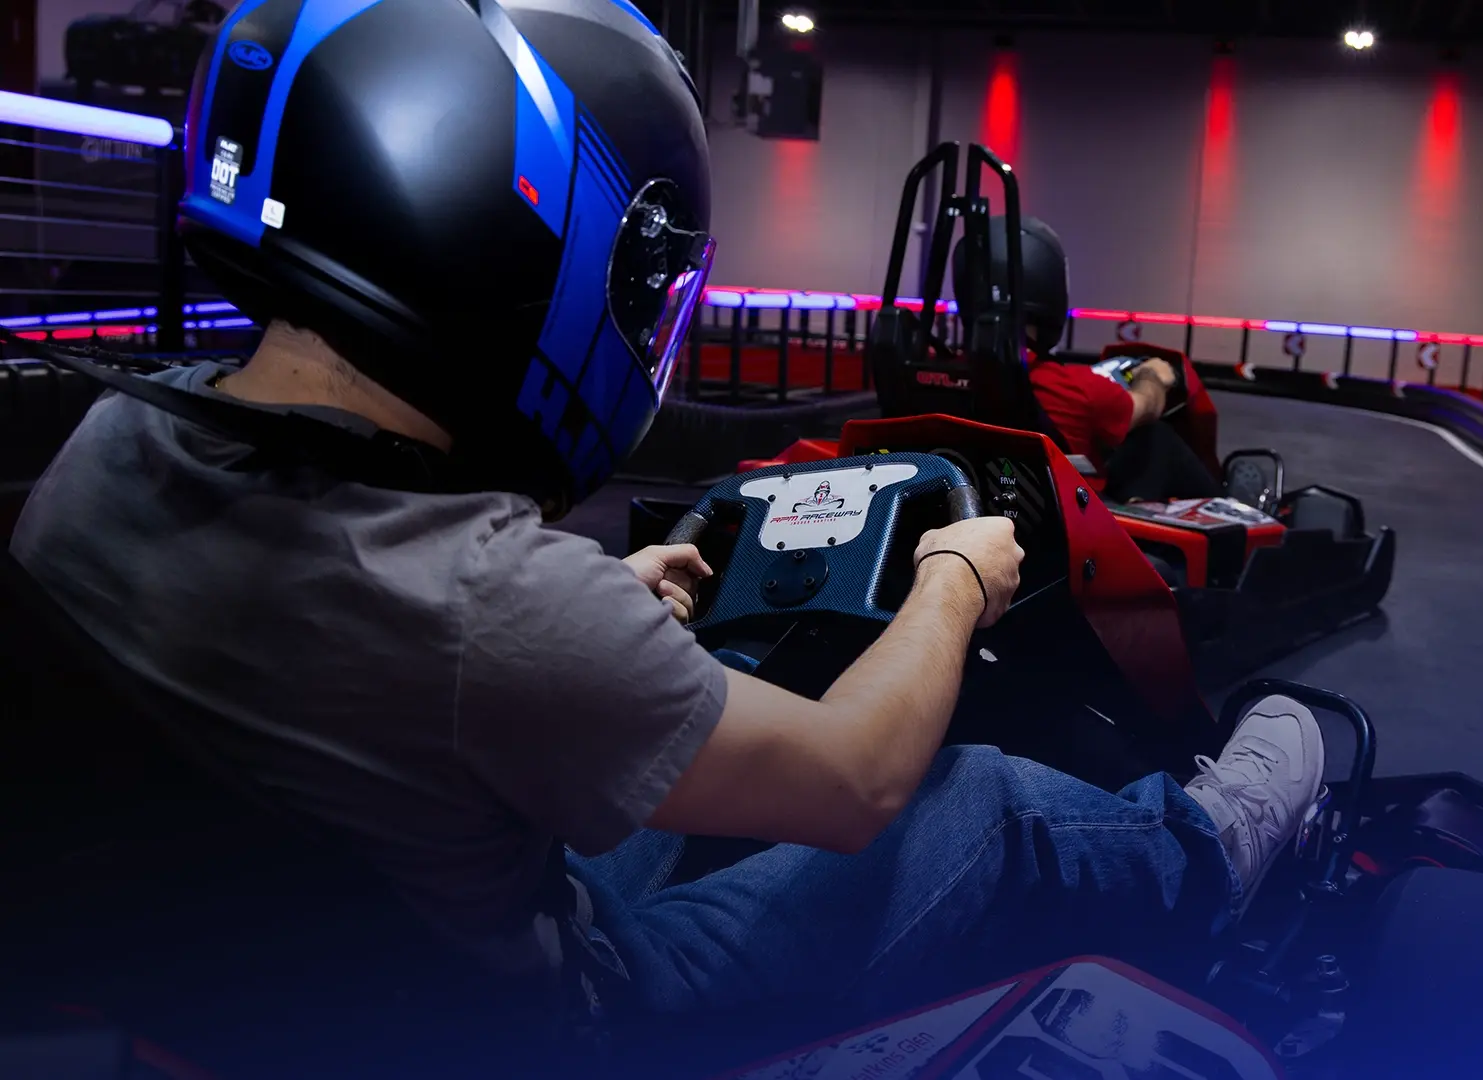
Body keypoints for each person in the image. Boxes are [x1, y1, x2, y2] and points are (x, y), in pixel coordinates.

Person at [7, 0, 1326, 1069]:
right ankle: (1208, 846)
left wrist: (602, 607)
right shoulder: (487, 603)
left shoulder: (114, 444)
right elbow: (850, 779)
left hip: (277, 969)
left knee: (708, 731)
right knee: (960, 799)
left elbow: (385, 667)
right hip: (535, 1026)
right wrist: (954, 578)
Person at [953, 216, 1227, 503]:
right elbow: (1145, 405)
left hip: (970, 504)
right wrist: (1152, 376)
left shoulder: (939, 374)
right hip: (1065, 524)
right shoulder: (1068, 388)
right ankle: (1226, 516)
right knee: (1155, 439)